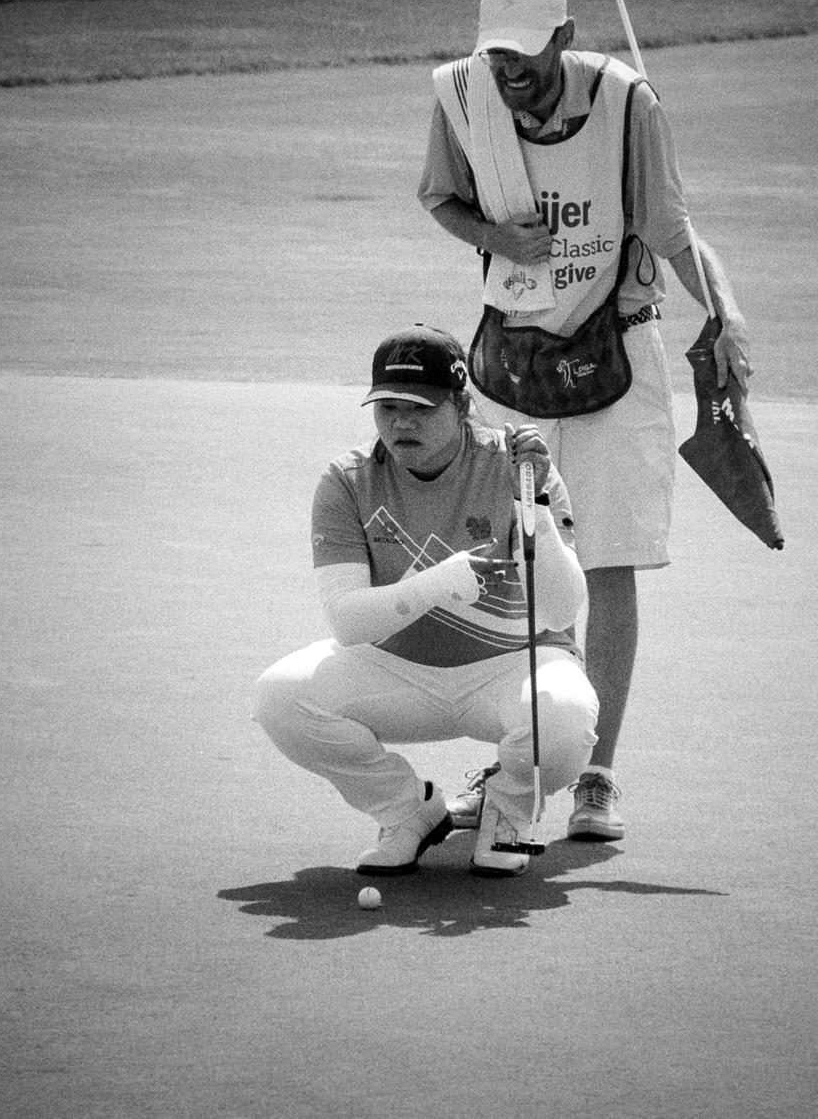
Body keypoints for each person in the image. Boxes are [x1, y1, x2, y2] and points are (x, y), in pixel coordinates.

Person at [417, 0, 752, 841]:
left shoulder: (628, 102)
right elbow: (440, 196)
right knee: (512, 568)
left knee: (606, 563)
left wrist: (724, 315)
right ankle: (517, 769)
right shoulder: (463, 95)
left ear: (564, 39)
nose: (511, 75)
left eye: (527, 59)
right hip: (514, 360)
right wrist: (495, 235)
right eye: (499, 59)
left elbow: (671, 228)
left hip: (619, 354)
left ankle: (596, 775)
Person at [253, 325, 598, 877]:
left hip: (511, 665)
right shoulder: (347, 480)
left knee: (564, 718)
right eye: (388, 407)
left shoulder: (518, 465)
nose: (401, 423)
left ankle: (508, 811)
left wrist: (531, 502)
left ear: (461, 405)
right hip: (399, 669)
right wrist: (439, 582)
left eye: (421, 408)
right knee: (281, 698)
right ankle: (408, 811)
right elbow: (347, 623)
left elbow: (559, 612)